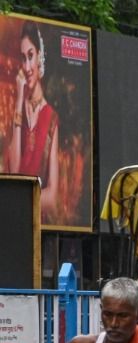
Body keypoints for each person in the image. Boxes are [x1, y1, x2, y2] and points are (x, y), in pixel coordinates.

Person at [5, 21, 59, 221]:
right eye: (23, 58)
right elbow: (15, 170)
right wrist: (19, 99)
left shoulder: (52, 118)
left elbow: (52, 197)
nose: (27, 67)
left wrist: (19, 202)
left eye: (31, 56)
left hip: (36, 221)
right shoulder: (17, 107)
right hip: (12, 218)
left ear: (39, 58)